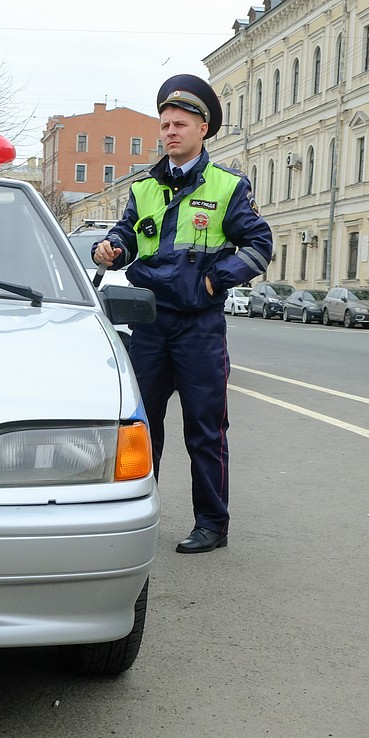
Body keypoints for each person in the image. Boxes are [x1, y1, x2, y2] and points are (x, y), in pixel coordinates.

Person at [92, 74, 273, 554]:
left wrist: (215, 281)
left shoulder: (228, 186)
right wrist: (109, 248)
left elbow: (259, 245)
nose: (170, 131)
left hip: (199, 327)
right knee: (142, 428)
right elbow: (127, 234)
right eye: (165, 124)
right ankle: (138, 517)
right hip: (149, 324)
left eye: (180, 124)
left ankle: (211, 525)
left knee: (205, 429)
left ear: (202, 129)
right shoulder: (146, 188)